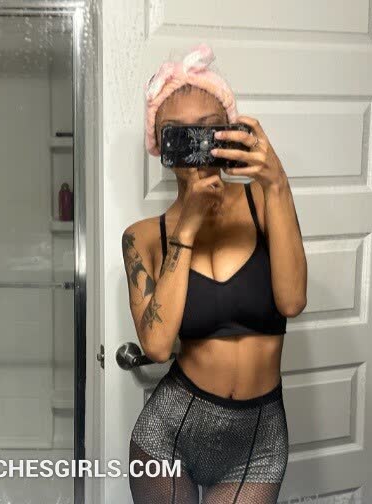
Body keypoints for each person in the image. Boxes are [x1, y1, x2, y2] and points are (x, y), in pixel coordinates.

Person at [121, 43, 307, 504]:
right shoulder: (143, 237)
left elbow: (292, 301)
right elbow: (157, 347)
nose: (197, 146)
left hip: (259, 441)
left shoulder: (263, 202)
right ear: (160, 147)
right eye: (178, 135)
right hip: (168, 433)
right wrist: (186, 230)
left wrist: (277, 181)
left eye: (208, 130)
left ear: (231, 131)